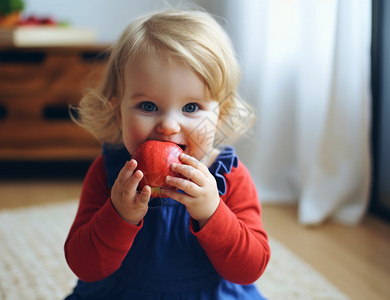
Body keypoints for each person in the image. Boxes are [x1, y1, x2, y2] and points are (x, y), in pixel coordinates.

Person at [64, 9, 270, 299]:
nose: (169, 126)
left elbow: (250, 268)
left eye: (190, 108)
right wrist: (118, 215)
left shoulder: (229, 177)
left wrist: (212, 213)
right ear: (119, 112)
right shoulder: (110, 173)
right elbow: (83, 265)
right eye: (148, 106)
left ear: (219, 116)